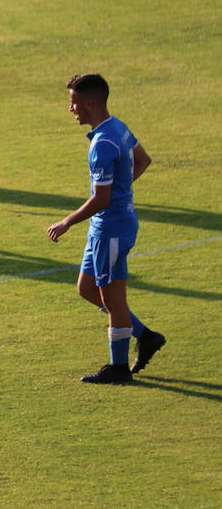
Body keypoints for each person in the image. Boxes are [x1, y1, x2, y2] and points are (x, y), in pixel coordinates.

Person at [46, 74, 166, 384]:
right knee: (87, 289)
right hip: (108, 226)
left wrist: (66, 222)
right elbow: (143, 159)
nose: (71, 109)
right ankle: (146, 336)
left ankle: (119, 368)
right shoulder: (118, 127)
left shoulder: (101, 144)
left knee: (113, 301)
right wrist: (121, 190)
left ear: (88, 104)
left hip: (111, 229)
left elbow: (101, 198)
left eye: (73, 103)